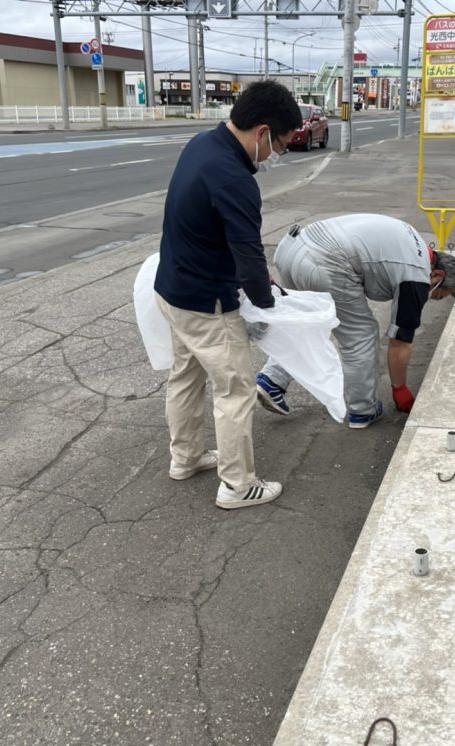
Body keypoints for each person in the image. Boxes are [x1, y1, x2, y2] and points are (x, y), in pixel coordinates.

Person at [154, 80, 302, 510]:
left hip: (172, 289)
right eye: (279, 145)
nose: (276, 155)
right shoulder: (236, 178)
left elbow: (212, 232)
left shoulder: (202, 144)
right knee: (236, 389)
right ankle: (238, 486)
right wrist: (268, 303)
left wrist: (257, 283)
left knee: (185, 376)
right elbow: (247, 251)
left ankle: (185, 458)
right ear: (261, 132)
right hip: (206, 303)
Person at [255, 214, 455, 427]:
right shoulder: (417, 274)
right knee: (361, 335)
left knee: (308, 323)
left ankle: (272, 380)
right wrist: (400, 389)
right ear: (437, 276)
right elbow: (399, 343)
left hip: (292, 248)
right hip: (324, 260)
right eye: (436, 294)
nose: (427, 296)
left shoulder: (413, 243)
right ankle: (363, 409)